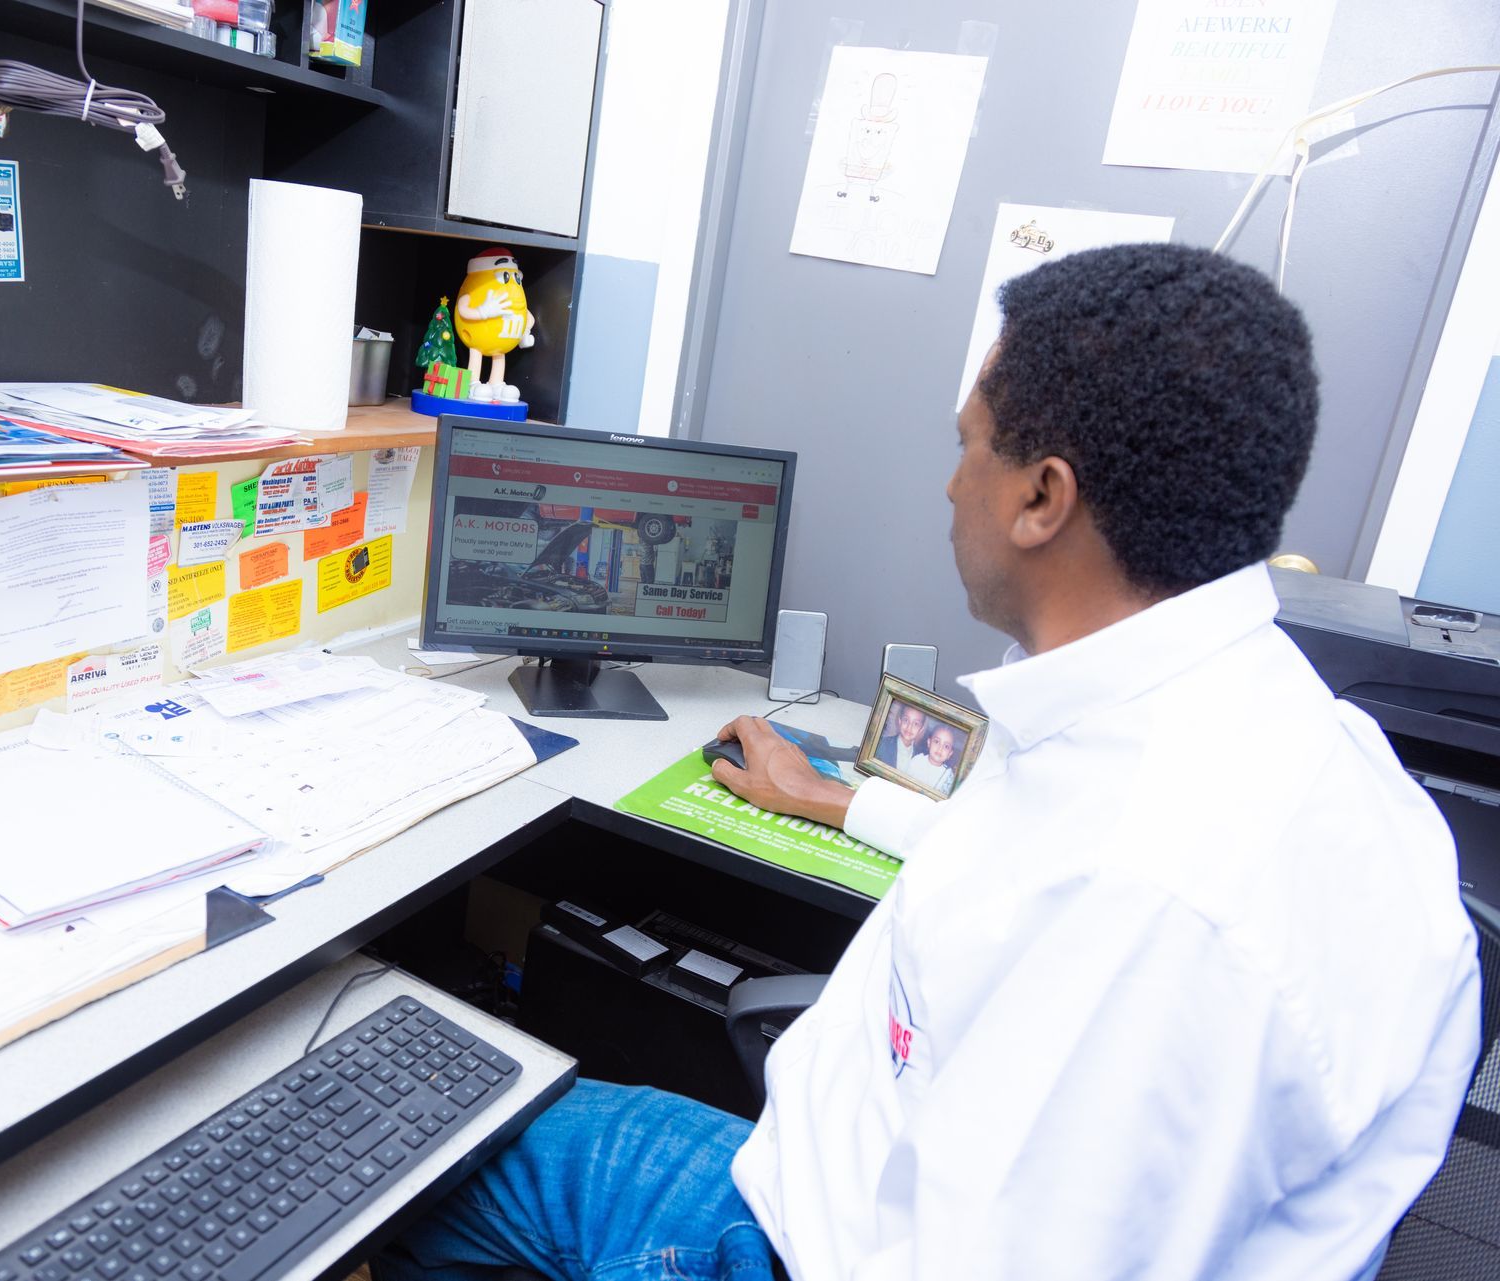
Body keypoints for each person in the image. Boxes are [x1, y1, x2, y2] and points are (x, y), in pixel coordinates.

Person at [375, 245, 1479, 1281]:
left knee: (414, 1158)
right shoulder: (1246, 732)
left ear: (1042, 497)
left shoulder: (1163, 914)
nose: (952, 487)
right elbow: (1038, 869)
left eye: (969, 445)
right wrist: (837, 801)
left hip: (795, 1240)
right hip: (837, 1163)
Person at [896, 722, 958, 796]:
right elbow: (902, 781)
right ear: (929, 743)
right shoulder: (917, 760)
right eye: (937, 741)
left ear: (950, 753)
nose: (940, 748)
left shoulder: (948, 775)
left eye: (946, 746)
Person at [872, 700, 927, 770]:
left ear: (921, 729)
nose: (909, 727)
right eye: (906, 720)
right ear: (899, 721)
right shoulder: (882, 743)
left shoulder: (920, 758)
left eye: (916, 724)